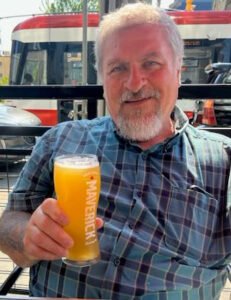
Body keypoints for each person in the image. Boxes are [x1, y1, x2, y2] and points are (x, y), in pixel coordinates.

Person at [0, 3, 231, 299]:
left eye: (151, 63)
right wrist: (26, 237)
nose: (134, 84)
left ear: (177, 71)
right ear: (102, 79)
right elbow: (10, 221)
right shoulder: (61, 140)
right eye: (118, 68)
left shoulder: (223, 161)